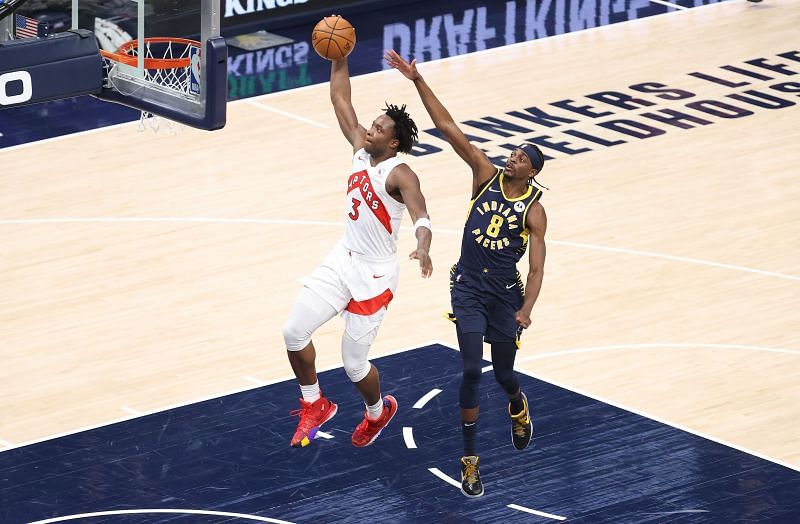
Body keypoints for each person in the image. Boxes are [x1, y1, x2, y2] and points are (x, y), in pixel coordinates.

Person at [385, 49, 547, 497]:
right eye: (511, 153)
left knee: (504, 376)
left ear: (531, 172)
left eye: (518, 157)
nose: (510, 158)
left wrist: (528, 308)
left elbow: (535, 268)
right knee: (472, 371)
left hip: (506, 296)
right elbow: (448, 128)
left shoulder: (534, 211)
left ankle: (517, 405)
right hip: (468, 287)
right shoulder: (484, 173)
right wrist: (417, 81)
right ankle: (470, 461)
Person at [282, 54, 434, 449]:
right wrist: (340, 57)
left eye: (380, 128)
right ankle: (314, 404)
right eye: (374, 123)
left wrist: (422, 246)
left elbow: (421, 212)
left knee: (353, 364)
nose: (371, 128)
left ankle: (376, 412)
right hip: (343, 258)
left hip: (375, 275)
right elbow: (340, 99)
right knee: (294, 332)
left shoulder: (400, 172)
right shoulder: (359, 148)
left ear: (394, 142)